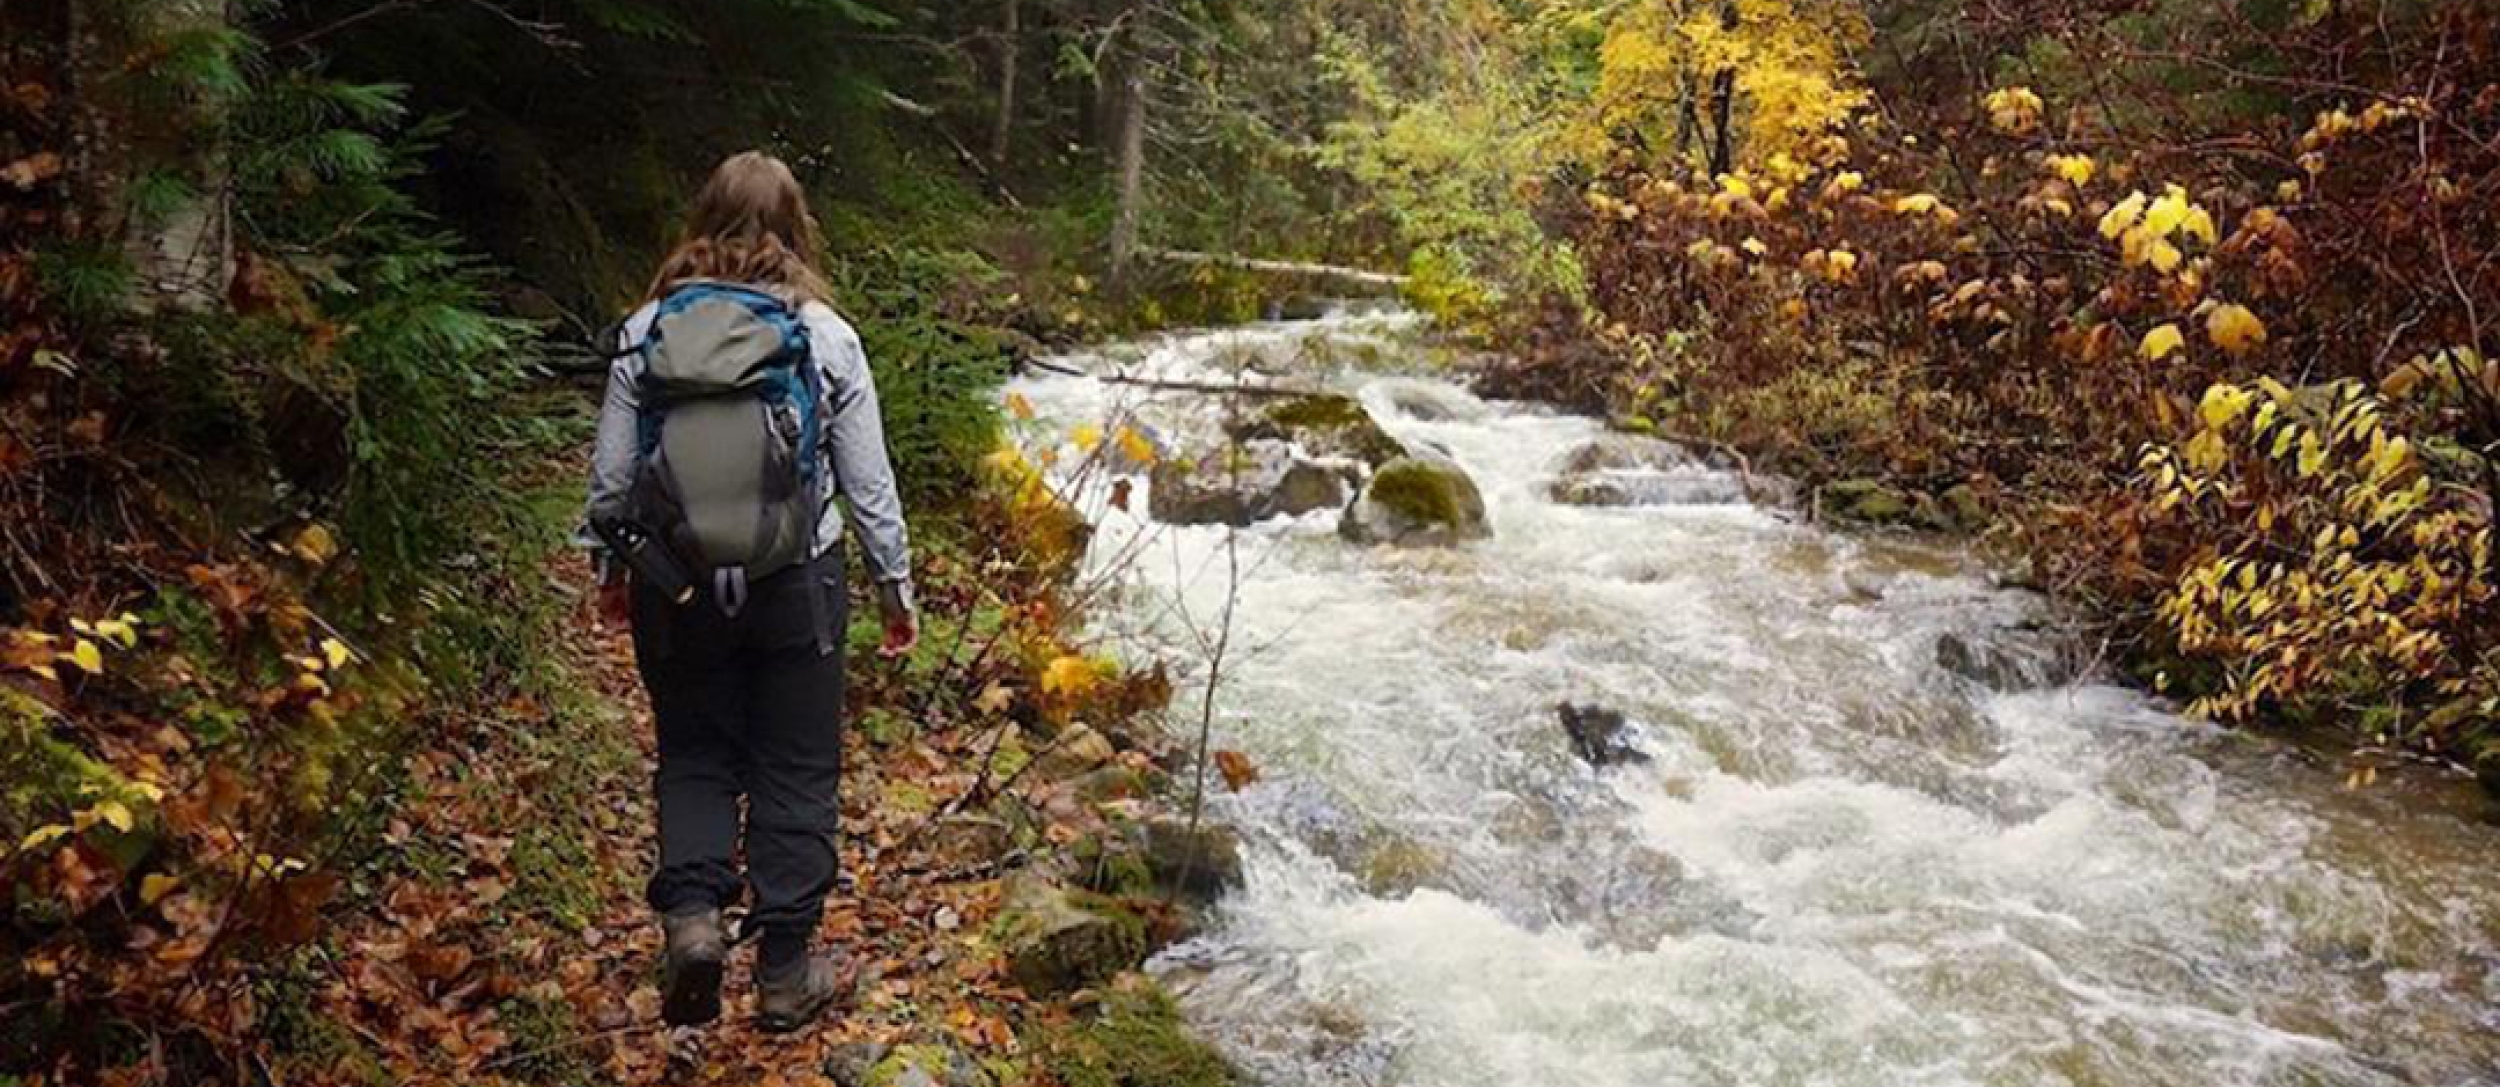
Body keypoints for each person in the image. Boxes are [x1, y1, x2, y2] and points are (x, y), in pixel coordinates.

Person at [583, 151, 917, 1033]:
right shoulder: (826, 335)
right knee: (795, 765)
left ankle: (694, 923)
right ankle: (782, 972)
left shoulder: (646, 328)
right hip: (797, 581)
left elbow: (613, 483)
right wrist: (894, 586)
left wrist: (615, 574)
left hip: (677, 585)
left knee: (693, 753)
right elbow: (868, 480)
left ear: (703, 215)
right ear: (797, 225)